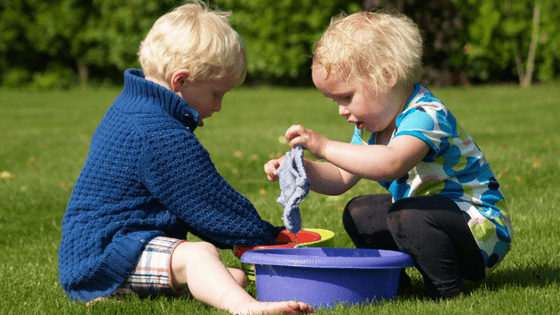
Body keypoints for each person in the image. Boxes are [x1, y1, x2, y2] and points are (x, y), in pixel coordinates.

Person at [58, 2, 314, 314]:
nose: (218, 106)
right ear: (181, 81)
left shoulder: (133, 107)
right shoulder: (158, 133)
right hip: (106, 254)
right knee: (200, 256)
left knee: (231, 276)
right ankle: (246, 309)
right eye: (217, 94)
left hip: (110, 247)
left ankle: (117, 294)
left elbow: (195, 207)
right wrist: (268, 237)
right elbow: (210, 203)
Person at [264, 10, 513, 300]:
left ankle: (446, 291)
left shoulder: (426, 115)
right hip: (428, 220)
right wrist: (299, 168)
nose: (342, 111)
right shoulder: (372, 128)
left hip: (479, 230)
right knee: (359, 212)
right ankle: (393, 284)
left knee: (405, 215)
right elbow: (342, 177)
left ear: (387, 76)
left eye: (346, 97)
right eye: (335, 101)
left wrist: (323, 146)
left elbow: (391, 163)